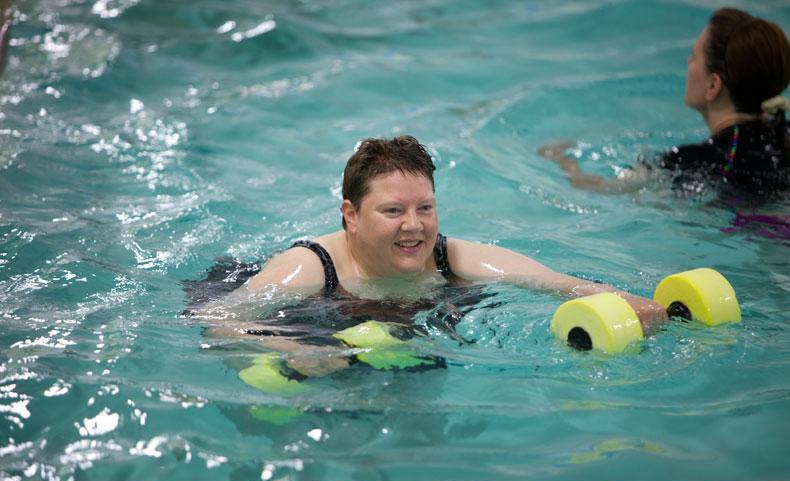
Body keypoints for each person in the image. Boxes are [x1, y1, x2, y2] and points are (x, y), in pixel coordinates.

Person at [196, 136, 667, 376]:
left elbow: (555, 282)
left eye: (425, 208)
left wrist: (622, 299)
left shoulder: (450, 257)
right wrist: (295, 349)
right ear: (351, 215)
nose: (414, 226)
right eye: (393, 211)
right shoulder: (309, 267)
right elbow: (216, 322)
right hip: (305, 319)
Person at [540, 8, 790, 201]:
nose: (688, 64)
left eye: (694, 56)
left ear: (713, 85)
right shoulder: (783, 133)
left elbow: (601, 188)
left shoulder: (688, 161)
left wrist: (563, 161)